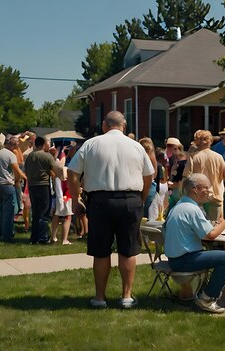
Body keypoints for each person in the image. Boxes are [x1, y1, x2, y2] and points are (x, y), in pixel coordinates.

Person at [67, 111, 154, 309]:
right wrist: (140, 198)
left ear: (105, 125)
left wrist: (75, 198)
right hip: (130, 199)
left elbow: (72, 171)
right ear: (124, 126)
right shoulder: (136, 146)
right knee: (128, 250)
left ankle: (99, 297)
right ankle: (127, 296)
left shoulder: (91, 144)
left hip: (100, 201)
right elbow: (149, 175)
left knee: (101, 251)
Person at [164, 173, 225, 313]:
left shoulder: (180, 205)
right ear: (195, 189)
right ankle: (207, 299)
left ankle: (204, 293)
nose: (209, 191)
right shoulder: (192, 209)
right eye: (206, 188)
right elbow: (211, 235)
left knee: (220, 256)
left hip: (175, 258)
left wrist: (217, 225)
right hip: (184, 260)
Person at [183, 130, 225, 221]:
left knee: (198, 228)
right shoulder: (218, 157)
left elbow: (186, 176)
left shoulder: (193, 157)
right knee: (213, 227)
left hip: (197, 197)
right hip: (215, 197)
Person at [24, 136, 63, 244]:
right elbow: (57, 168)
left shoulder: (29, 156)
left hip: (32, 186)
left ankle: (34, 237)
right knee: (44, 212)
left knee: (35, 212)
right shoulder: (47, 156)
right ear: (44, 144)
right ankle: (43, 237)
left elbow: (26, 170)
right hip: (43, 185)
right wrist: (62, 176)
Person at [0, 141, 27, 242]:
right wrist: (20, 179)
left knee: (0, 211)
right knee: (8, 212)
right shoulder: (10, 155)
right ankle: (7, 234)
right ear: (13, 146)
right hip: (7, 184)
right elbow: (16, 170)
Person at [50, 166, 74, 245]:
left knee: (57, 216)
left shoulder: (57, 174)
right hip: (65, 197)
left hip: (59, 196)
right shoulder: (64, 172)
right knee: (67, 217)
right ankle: (64, 239)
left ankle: (53, 237)